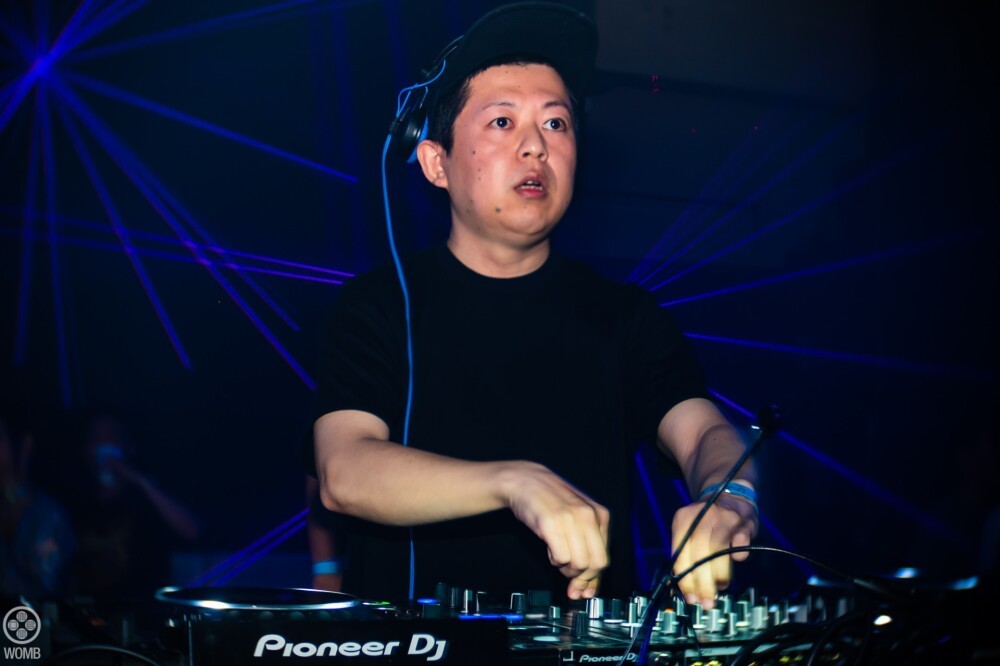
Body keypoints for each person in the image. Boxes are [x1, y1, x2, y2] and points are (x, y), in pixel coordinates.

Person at [311, 2, 758, 609]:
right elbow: (344, 472)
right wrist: (514, 482)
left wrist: (730, 498)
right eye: (502, 121)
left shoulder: (626, 317)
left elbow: (704, 432)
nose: (535, 147)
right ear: (436, 162)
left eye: (556, 123)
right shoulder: (376, 306)